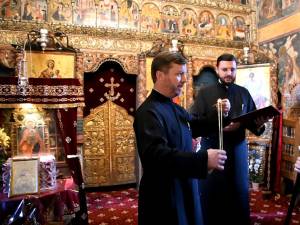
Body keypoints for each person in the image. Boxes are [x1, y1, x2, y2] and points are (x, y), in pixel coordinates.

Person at [134, 51, 228, 225]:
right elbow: (156, 156)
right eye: (179, 74)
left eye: (184, 74)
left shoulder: (175, 108)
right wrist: (203, 160)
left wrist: (221, 114)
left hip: (184, 186)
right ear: (159, 75)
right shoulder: (148, 112)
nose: (185, 79)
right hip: (163, 195)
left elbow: (198, 125)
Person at [190, 53, 269, 225]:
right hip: (213, 149)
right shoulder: (204, 93)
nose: (228, 73)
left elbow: (255, 127)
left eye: (232, 69)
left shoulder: (243, 93)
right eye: (224, 69)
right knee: (212, 191)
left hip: (237, 150)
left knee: (238, 191)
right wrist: (216, 120)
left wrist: (260, 123)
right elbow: (193, 122)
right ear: (217, 69)